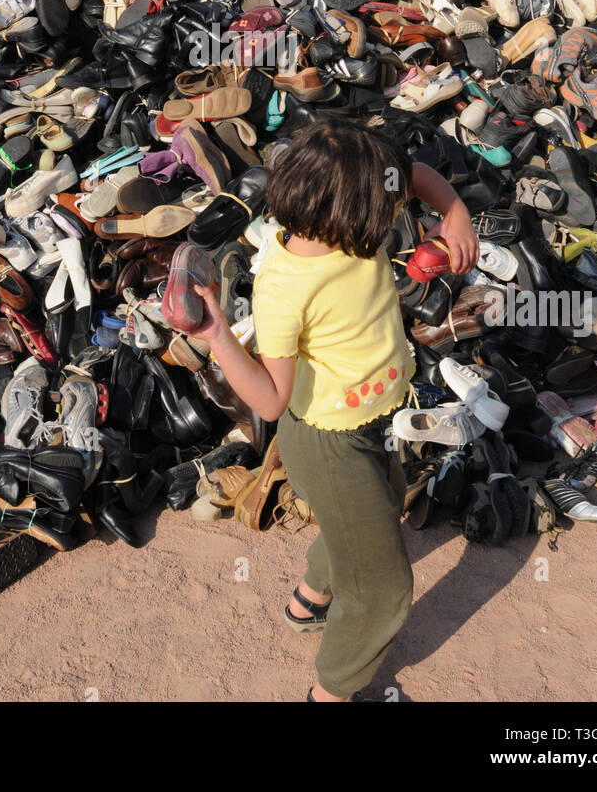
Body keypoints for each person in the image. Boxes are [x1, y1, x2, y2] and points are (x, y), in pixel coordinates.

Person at [192, 116, 479, 703]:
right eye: (384, 208)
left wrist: (454, 213)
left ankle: (308, 604)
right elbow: (270, 399)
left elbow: (419, 176)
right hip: (325, 441)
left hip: (372, 415)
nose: (392, 216)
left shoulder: (345, 210)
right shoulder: (284, 289)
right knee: (384, 585)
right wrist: (220, 339)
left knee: (376, 508)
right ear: (350, 213)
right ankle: (332, 692)